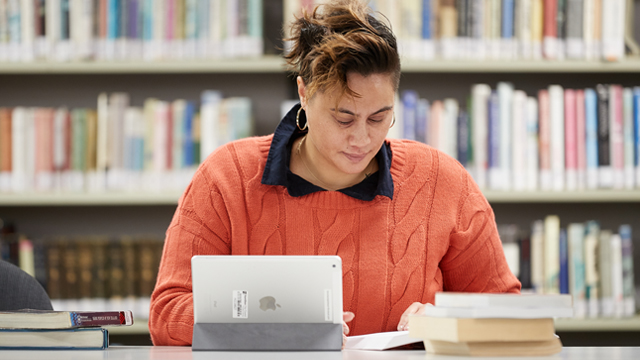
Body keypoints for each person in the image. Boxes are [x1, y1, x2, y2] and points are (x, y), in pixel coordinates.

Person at [149, 0, 520, 346]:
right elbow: (166, 316)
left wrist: (449, 322)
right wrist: (265, 323)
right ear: (304, 94)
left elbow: (509, 318)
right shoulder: (226, 176)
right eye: (343, 117)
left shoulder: (443, 182)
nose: (362, 138)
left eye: (379, 117)